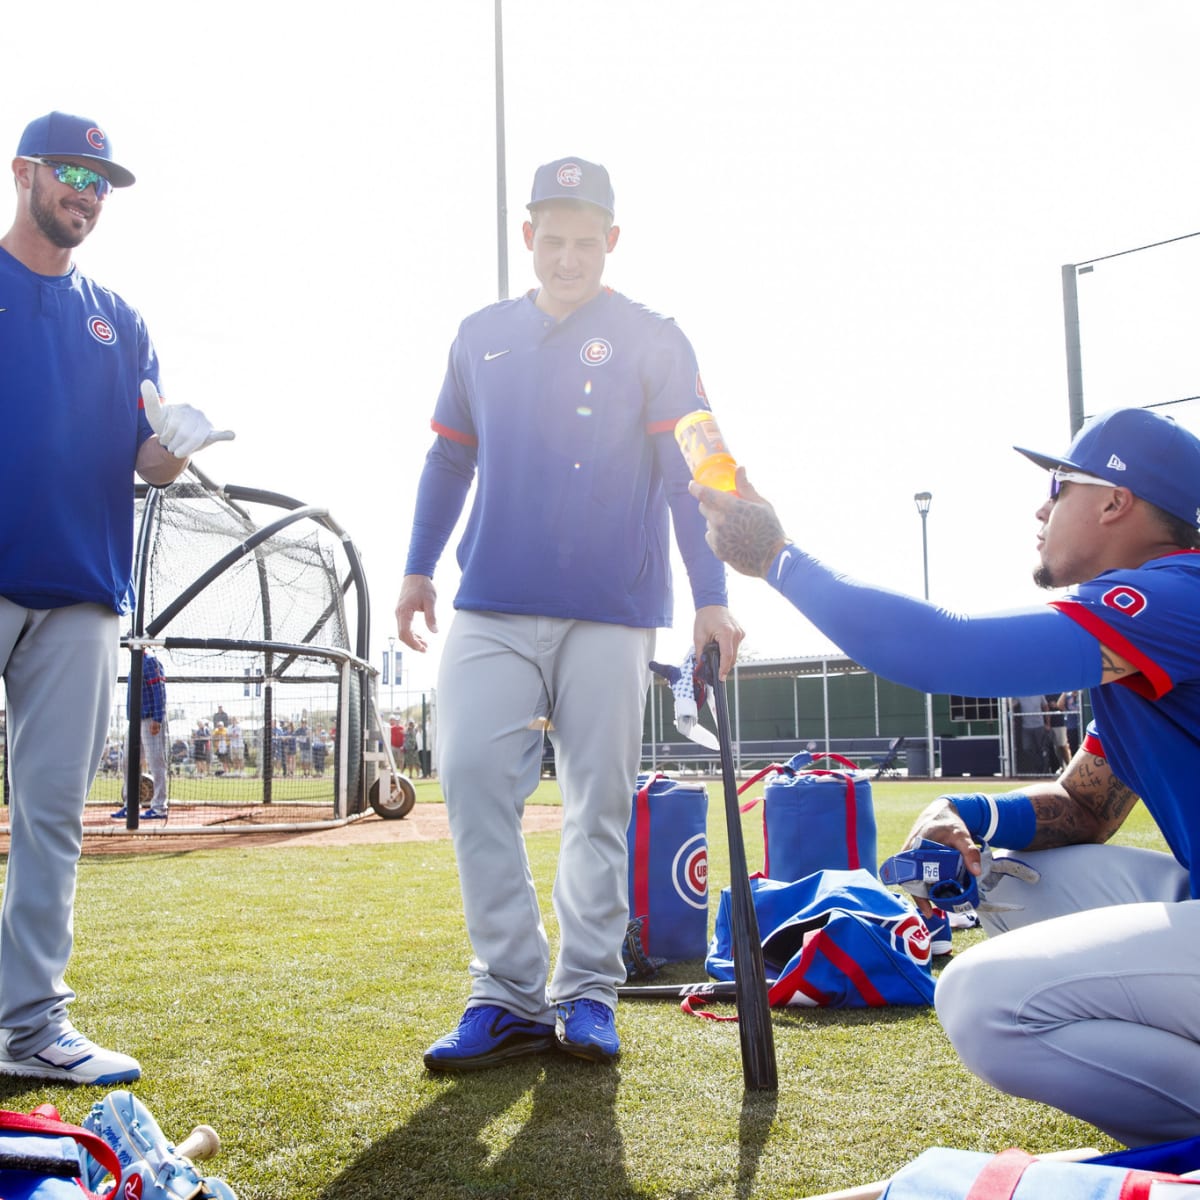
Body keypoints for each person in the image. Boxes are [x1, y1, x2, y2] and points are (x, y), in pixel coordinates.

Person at [691, 405, 1200, 1147]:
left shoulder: (1173, 596)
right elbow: (1084, 806)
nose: (1040, 505)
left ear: (1116, 501)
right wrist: (963, 811)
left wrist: (777, 558)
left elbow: (940, 648)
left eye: (1059, 485)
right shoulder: (1162, 616)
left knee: (978, 999)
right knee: (1007, 879)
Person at [396, 156, 742, 1071]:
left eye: (587, 241)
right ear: (528, 238)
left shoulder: (657, 338)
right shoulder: (480, 334)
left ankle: (587, 988)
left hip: (614, 607)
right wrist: (416, 569)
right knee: (469, 776)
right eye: (553, 239)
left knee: (599, 804)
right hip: (494, 600)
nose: (569, 256)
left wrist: (713, 593)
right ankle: (507, 994)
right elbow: (446, 462)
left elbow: (697, 471)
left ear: (612, 242)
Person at [0, 111, 232, 1084]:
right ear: (24, 173)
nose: (86, 191)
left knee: (52, 814)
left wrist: (175, 447)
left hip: (84, 592)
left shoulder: (121, 321)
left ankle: (29, 1027)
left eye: (100, 179)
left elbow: (146, 462)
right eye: (70, 171)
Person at [111, 651, 169, 819]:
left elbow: (159, 690)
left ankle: (159, 807)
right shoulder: (135, 663)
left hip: (150, 718)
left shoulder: (150, 661)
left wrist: (158, 718)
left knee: (155, 761)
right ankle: (131, 805)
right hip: (135, 720)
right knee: (128, 761)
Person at [1011, 693, 1050, 774]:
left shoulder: (1039, 694)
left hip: (1039, 726)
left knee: (1042, 749)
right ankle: (1037, 766)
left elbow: (1045, 707)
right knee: (1027, 748)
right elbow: (1012, 704)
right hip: (1026, 727)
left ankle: (1044, 770)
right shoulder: (1020, 695)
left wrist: (1048, 723)